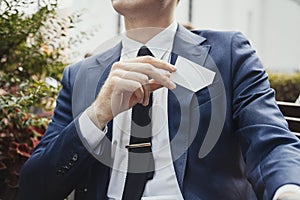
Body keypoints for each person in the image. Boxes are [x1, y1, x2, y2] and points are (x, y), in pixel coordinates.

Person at [19, 0, 300, 199]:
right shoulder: (80, 75)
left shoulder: (228, 53)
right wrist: (97, 114)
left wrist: (287, 191)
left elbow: (270, 141)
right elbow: (34, 188)